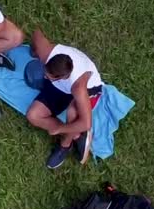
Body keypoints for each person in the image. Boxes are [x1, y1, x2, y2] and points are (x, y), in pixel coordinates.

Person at [26, 29, 103, 169]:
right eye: (45, 71)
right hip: (60, 88)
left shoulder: (78, 87)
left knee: (73, 114)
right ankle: (77, 135)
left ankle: (65, 145)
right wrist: (34, 50)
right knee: (33, 115)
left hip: (89, 89)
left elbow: (86, 123)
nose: (44, 76)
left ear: (61, 77)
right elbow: (37, 33)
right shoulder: (46, 54)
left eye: (48, 76)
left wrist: (60, 128)